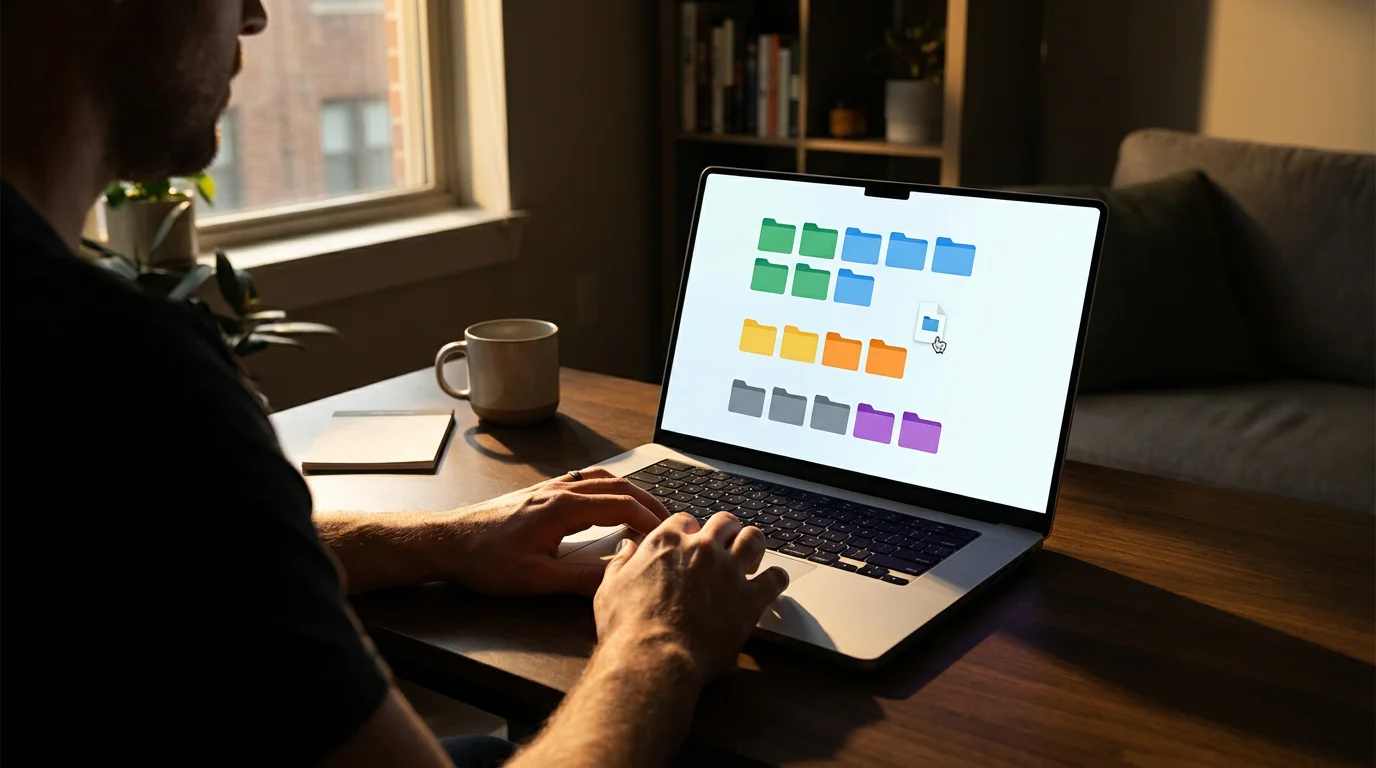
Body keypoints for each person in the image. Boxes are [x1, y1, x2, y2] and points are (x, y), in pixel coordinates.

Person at [0, 1, 789, 765]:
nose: (254, 15)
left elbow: (182, 560)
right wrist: (657, 645)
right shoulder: (115, 376)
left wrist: (449, 537)